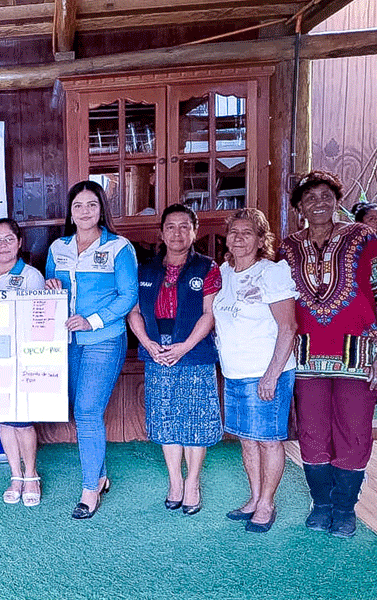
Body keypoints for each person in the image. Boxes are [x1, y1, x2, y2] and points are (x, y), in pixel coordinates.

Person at [280, 171, 377, 538]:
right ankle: (321, 504)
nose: (318, 202)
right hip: (305, 355)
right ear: (299, 207)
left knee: (355, 431)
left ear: (337, 201)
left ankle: (345, 508)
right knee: (312, 431)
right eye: (309, 198)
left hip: (358, 353)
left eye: (325, 195)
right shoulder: (287, 248)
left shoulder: (363, 237)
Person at [46, 181, 138, 520]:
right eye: (78, 206)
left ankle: (89, 491)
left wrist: (93, 321)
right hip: (68, 342)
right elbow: (51, 291)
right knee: (79, 410)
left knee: (87, 411)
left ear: (101, 209)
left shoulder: (118, 247)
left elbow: (128, 296)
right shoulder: (58, 247)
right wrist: (51, 286)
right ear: (70, 212)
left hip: (104, 339)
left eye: (91, 205)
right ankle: (100, 476)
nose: (85, 211)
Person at [127, 204, 221, 516]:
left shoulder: (207, 268)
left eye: (184, 227)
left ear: (195, 232)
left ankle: (192, 482)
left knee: (195, 419)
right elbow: (134, 312)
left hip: (194, 351)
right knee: (165, 417)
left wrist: (184, 347)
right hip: (156, 351)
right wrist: (148, 344)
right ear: (161, 232)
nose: (177, 233)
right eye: (171, 227)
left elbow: (209, 314)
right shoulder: (145, 269)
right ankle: (175, 481)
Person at [213, 208, 298, 533]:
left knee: (268, 440)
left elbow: (288, 327)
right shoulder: (223, 271)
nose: (238, 238)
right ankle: (254, 497)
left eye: (247, 233)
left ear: (261, 240)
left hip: (266, 372)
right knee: (247, 440)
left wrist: (271, 375)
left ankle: (267, 503)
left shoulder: (272, 272)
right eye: (234, 232)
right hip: (234, 372)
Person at [0, 217, 45, 506]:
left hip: (21, 355)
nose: (2, 245)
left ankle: (31, 475)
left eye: (8, 239)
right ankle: (15, 475)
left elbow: (38, 319)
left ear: (19, 242)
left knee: (22, 419)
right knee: (4, 417)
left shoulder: (31, 276)